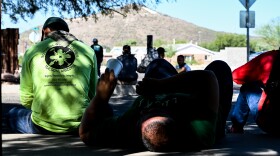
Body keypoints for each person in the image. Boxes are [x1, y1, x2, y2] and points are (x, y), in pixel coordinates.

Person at [79, 58, 233, 152]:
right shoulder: (198, 132)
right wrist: (160, 86)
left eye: (148, 111)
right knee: (220, 67)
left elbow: (85, 133)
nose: (154, 106)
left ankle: (170, 78)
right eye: (162, 111)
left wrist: (101, 97)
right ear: (178, 123)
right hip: (196, 94)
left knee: (157, 64)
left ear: (139, 123)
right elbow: (207, 77)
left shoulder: (127, 128)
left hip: (164, 86)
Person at [6, 17, 99, 135]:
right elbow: (93, 94)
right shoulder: (88, 51)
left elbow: (26, 98)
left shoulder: (32, 51)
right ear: (67, 31)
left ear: (45, 31)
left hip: (41, 126)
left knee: (12, 114)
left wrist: (44, 112)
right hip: (80, 125)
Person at [229, 49, 280, 135]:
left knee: (247, 87)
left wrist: (260, 79)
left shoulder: (270, 57)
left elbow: (236, 75)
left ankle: (236, 127)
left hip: (271, 123)